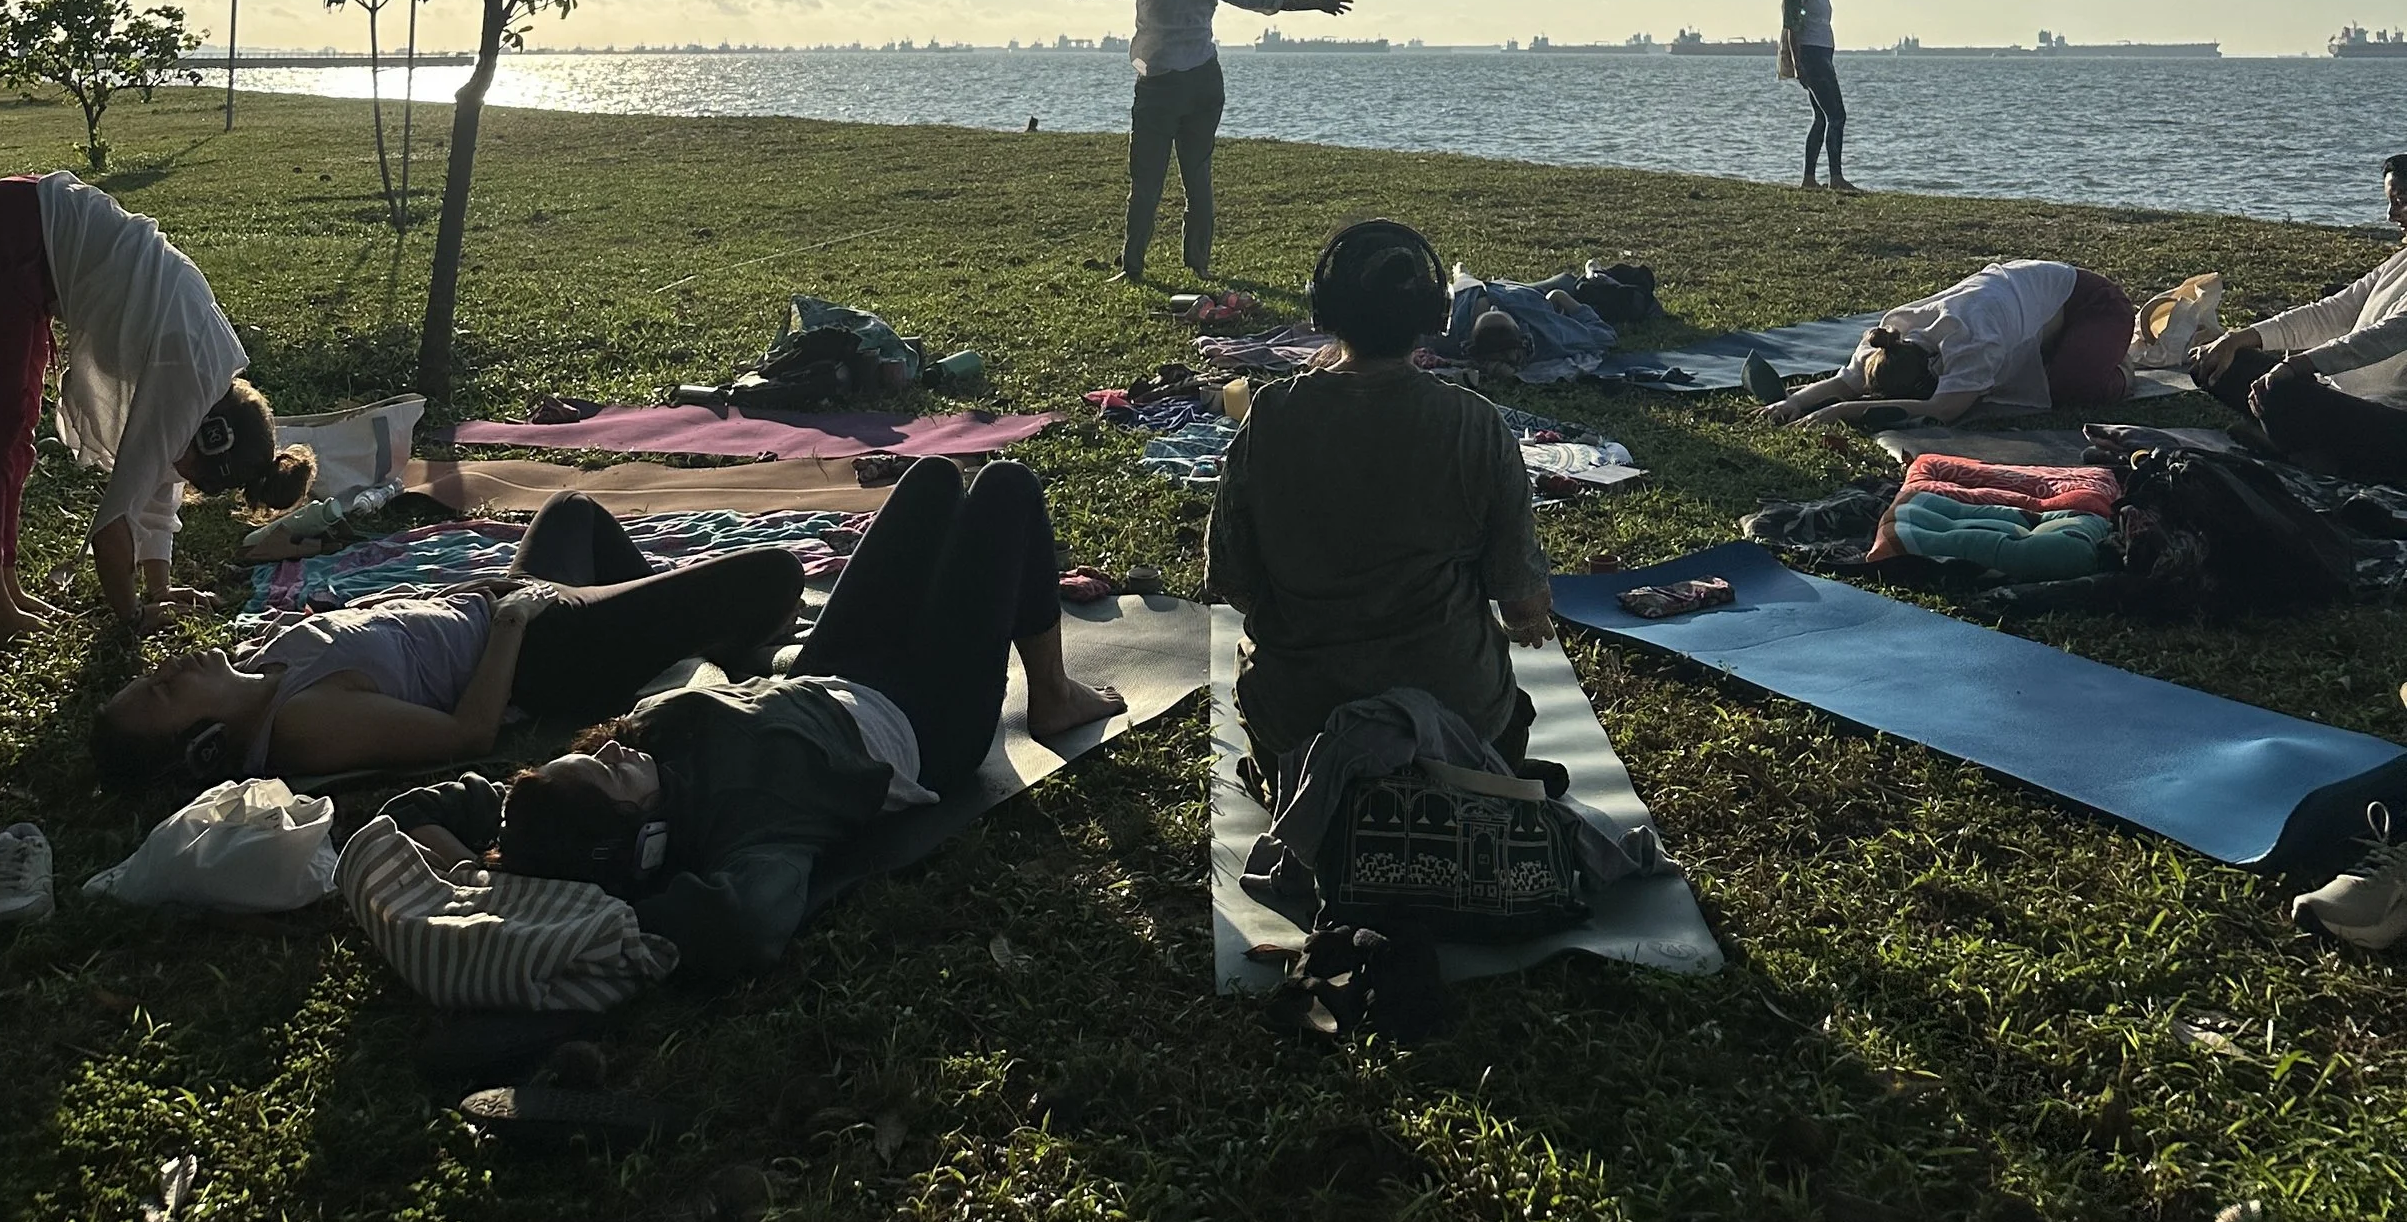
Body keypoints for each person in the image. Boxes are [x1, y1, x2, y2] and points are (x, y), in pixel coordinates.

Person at [398, 458, 1122, 976]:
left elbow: (419, 808)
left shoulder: (599, 783)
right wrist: (590, 910)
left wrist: (486, 873)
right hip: (924, 720)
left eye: (598, 755)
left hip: (828, 670)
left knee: (932, 478)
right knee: (1006, 487)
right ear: (635, 842)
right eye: (610, 776)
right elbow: (751, 924)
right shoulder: (753, 827)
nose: (612, 750)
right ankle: (1053, 696)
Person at [90, 488, 808, 800]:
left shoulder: (257, 664)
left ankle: (679, 641)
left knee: (575, 510)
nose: (167, 668)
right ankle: (693, 639)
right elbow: (470, 733)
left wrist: (466, 596)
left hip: (502, 606)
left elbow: (377, 629)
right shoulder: (303, 725)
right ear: (205, 746)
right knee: (776, 574)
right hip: (544, 650)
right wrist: (511, 618)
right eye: (162, 691)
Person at [0, 171, 317, 654]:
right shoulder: (187, 376)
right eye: (190, 470)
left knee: (15, 433)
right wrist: (133, 616)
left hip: (20, 237)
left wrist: (160, 588)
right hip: (1, 233)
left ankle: (6, 591)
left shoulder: (207, 374)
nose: (175, 473)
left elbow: (158, 496)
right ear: (211, 437)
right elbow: (112, 526)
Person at [1202, 218, 1555, 777]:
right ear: (1434, 318)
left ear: (1324, 312)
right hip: (1454, 717)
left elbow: (1230, 580)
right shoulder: (1477, 425)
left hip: (1303, 720)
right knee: (1509, 713)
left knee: (1264, 701)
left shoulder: (1269, 415)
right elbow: (1521, 601)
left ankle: (1295, 785)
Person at [1001, 0, 1350, 281]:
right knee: (1198, 176)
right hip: (1205, 80)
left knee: (1146, 180)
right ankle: (1198, 263)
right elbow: (1267, 0)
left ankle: (1132, 266)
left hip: (1159, 85)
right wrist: (1317, 3)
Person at [2185, 152, 2407, 476]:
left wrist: (2297, 365)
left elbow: (2384, 336)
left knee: (2280, 393)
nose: (2391, 215)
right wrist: (2236, 340)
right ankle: (2299, 443)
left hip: (2391, 422)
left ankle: (2307, 450)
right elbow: (2330, 313)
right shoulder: (2400, 262)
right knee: (2217, 362)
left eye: (2400, 201)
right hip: (2335, 397)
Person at [1756, 259, 2138, 427]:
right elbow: (1846, 382)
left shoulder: (1971, 337)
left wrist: (1842, 412)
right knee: (2043, 375)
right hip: (2036, 315)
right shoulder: (1891, 339)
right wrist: (1795, 401)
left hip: (2095, 305)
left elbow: (1943, 409)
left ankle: (2124, 368)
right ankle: (2062, 351)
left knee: (2072, 389)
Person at [1779, 0, 1851, 189]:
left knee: (1821, 117)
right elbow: (1792, 29)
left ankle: (1810, 178)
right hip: (1811, 54)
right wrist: (1799, 66)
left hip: (1825, 52)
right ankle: (1836, 177)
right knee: (1837, 116)